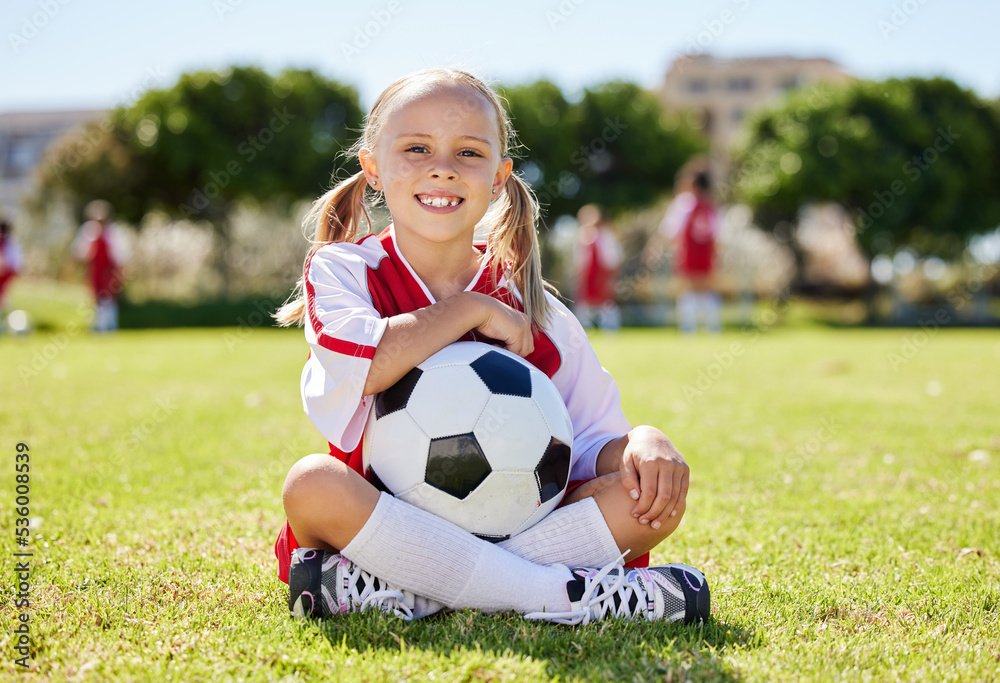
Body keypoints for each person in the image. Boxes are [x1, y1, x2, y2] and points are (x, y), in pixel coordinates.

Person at [273, 68, 710, 626]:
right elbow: (371, 363)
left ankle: (412, 592)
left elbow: (590, 442)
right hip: (380, 523)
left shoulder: (537, 307)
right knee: (312, 486)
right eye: (416, 147)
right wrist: (471, 309)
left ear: (501, 176)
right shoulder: (344, 270)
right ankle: (562, 595)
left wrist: (643, 445)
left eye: (469, 153)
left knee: (646, 501)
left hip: (513, 523)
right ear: (373, 168)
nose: (443, 168)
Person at [651, 168, 721, 333]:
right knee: (706, 289)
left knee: (688, 288)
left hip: (689, 252)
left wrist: (656, 248)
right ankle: (712, 327)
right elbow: (718, 233)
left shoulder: (684, 203)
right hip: (706, 253)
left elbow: (670, 229)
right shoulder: (711, 205)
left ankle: (689, 328)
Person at [72, 200, 129, 332]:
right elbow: (80, 252)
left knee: (109, 298)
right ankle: (98, 326)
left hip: (110, 270)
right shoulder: (88, 231)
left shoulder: (114, 232)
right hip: (94, 269)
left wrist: (122, 272)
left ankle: (109, 326)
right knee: (96, 298)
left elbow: (121, 254)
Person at [573, 204, 623, 331]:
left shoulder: (606, 234)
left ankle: (609, 327)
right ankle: (585, 327)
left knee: (606, 300)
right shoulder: (582, 235)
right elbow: (579, 258)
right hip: (588, 273)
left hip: (603, 272)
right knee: (585, 302)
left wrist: (612, 274)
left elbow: (614, 256)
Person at [0, 218, 24, 331]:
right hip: (6, 273)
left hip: (5, 274)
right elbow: (16, 261)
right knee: (4, 300)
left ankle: (3, 324)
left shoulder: (8, 241)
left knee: (4, 299)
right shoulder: (9, 241)